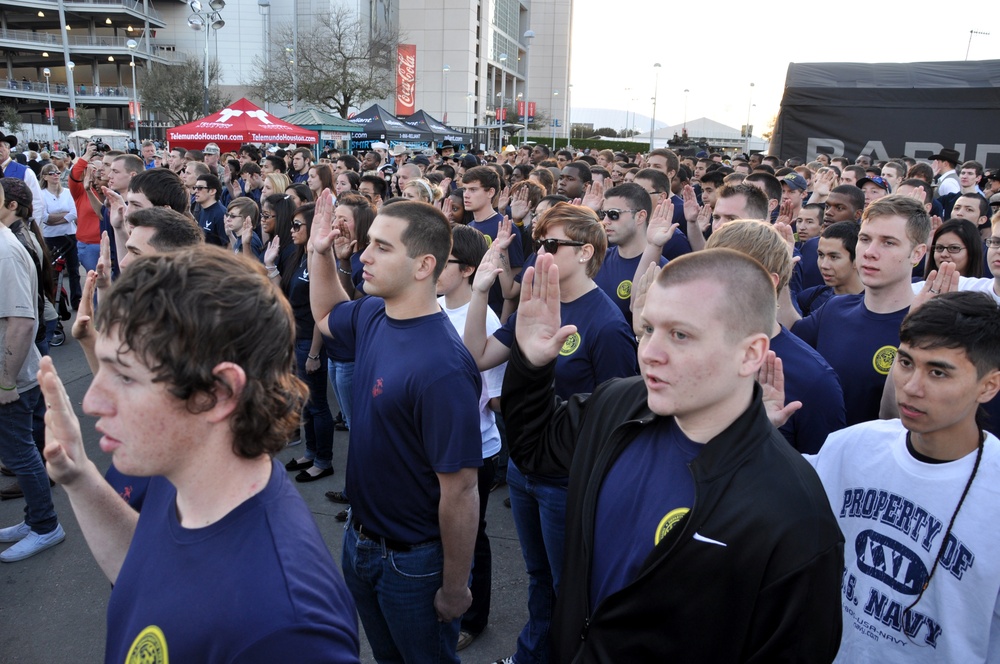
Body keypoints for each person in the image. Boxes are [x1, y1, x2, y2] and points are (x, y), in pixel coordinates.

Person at [501, 247, 844, 661]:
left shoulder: (794, 511)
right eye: (647, 328)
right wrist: (532, 366)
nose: (649, 353)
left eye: (680, 335)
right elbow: (536, 450)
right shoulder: (619, 403)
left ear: (751, 353)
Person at [38, 245, 360, 660]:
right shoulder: (184, 476)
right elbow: (147, 575)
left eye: (125, 376)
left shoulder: (284, 627)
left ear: (218, 393)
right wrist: (78, 476)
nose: (92, 402)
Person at [311, 194, 481, 663]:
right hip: (359, 540)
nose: (363, 255)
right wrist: (318, 252)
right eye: (368, 243)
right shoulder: (372, 314)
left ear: (424, 265)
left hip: (412, 564)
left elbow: (462, 491)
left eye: (382, 248)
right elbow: (326, 316)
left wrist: (454, 586)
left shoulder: (443, 368)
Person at [808, 291, 1000, 663]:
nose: (911, 386)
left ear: (989, 386)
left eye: (938, 372)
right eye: (906, 362)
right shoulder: (851, 448)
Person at [784, 195, 931, 425]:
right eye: (865, 239)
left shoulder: (926, 330)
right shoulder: (834, 308)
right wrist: (780, 276)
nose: (870, 252)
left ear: (917, 254)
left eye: (888, 242)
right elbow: (789, 336)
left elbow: (897, 419)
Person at [435, 224, 506, 651]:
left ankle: (473, 619)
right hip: (434, 447)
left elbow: (494, 398)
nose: (435, 269)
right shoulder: (432, 305)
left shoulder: (487, 319)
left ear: (466, 270)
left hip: (476, 448)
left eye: (444, 262)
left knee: (471, 538)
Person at [0, 179, 66, 563]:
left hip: (11, 377)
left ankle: (45, 525)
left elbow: (23, 322)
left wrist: (7, 379)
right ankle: (34, 520)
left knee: (22, 453)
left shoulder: (7, 250)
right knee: (22, 450)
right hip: (11, 373)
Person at [272, 203, 335, 483]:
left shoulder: (318, 259)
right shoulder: (296, 255)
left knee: (318, 404)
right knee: (306, 402)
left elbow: (321, 310)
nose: (292, 230)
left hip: (311, 341)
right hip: (296, 340)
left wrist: (314, 353)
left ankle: (324, 461)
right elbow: (283, 299)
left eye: (298, 225)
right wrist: (270, 264)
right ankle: (310, 452)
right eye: (292, 224)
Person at [39, 162, 82, 308]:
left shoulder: (67, 192)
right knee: (53, 271)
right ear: (45, 177)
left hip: (69, 234)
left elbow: (73, 214)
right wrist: (63, 216)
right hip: (51, 236)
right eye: (51, 173)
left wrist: (56, 218)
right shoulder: (41, 194)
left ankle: (77, 299)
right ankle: (55, 301)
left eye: (57, 172)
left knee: (73, 269)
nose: (56, 175)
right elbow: (44, 217)